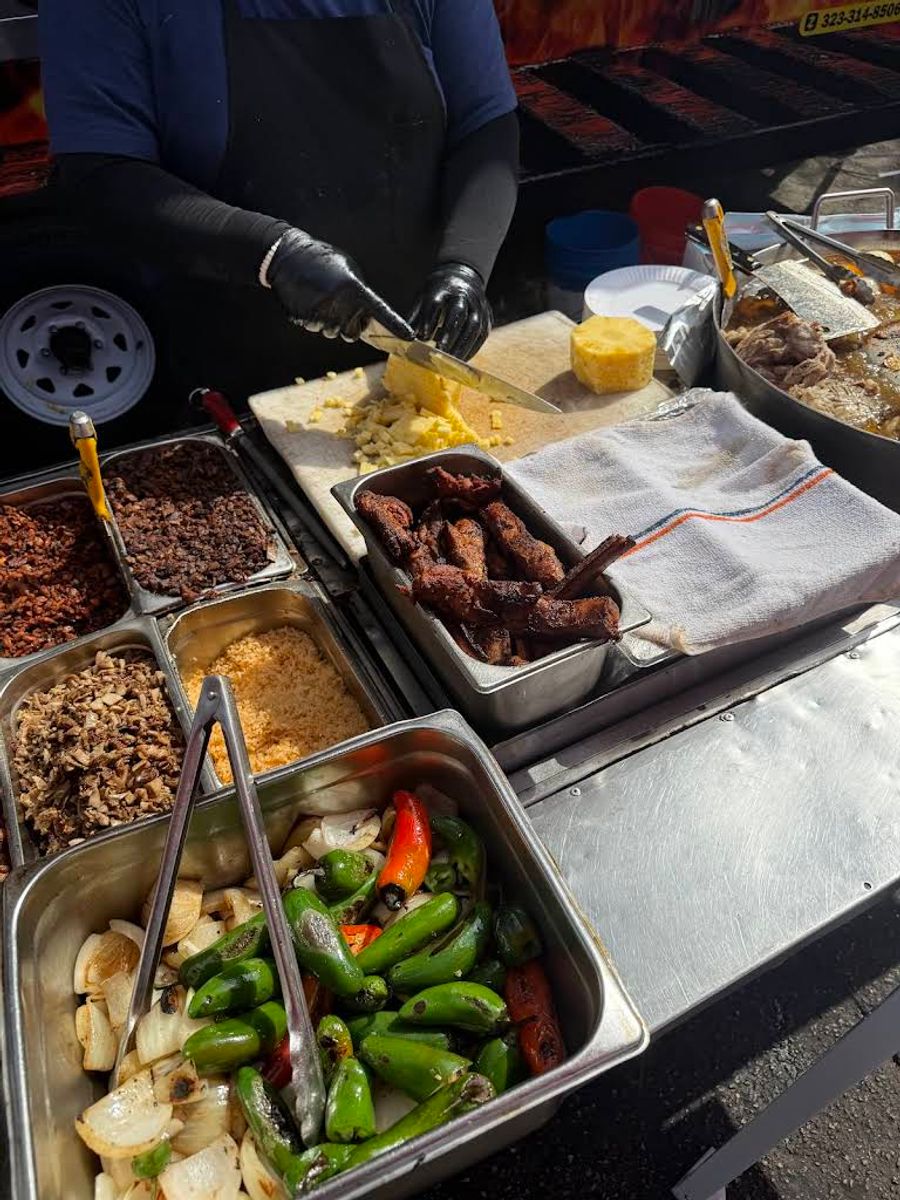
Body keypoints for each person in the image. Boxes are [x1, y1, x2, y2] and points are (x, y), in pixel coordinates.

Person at [39, 1, 520, 399]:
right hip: (233, 353)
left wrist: (463, 267)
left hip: (416, 332)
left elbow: (486, 125)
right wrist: (275, 255)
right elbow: (102, 176)